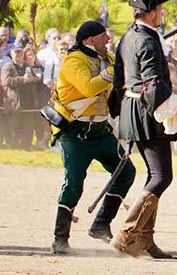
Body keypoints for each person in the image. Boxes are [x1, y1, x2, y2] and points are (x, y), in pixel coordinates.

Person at [111, 0, 177, 259]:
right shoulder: (148, 41)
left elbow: (119, 81)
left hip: (133, 110)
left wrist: (120, 112)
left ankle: (145, 240)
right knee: (162, 176)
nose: (163, 13)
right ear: (150, 13)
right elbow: (153, 85)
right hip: (146, 112)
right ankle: (126, 235)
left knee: (156, 176)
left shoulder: (129, 37)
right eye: (160, 10)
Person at [49, 21, 136, 254]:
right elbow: (88, 88)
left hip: (100, 131)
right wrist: (111, 72)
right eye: (103, 37)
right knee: (73, 184)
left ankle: (100, 224)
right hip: (74, 133)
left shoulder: (105, 59)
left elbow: (116, 85)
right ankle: (60, 239)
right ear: (89, 40)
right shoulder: (73, 60)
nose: (107, 40)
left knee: (126, 172)